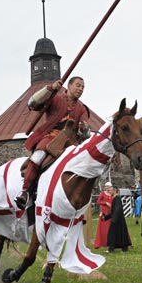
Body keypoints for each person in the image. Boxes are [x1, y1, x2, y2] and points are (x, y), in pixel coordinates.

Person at [16, 76, 89, 207]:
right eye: (78, 85)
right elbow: (32, 103)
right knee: (38, 157)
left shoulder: (82, 108)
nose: (81, 89)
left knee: (83, 163)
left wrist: (83, 128)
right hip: (50, 136)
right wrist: (50, 89)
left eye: (83, 87)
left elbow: (85, 131)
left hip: (70, 142)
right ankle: (25, 191)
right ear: (69, 85)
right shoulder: (55, 97)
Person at [105, 186, 132, 252]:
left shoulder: (117, 198)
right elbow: (114, 211)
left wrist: (114, 219)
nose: (109, 192)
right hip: (117, 219)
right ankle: (122, 248)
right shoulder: (115, 198)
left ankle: (112, 248)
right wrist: (106, 217)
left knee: (112, 234)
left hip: (117, 219)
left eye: (110, 191)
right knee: (120, 233)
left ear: (114, 191)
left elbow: (117, 209)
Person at [94, 182, 114, 249]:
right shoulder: (103, 193)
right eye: (106, 186)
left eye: (108, 186)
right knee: (102, 228)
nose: (107, 187)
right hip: (104, 212)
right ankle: (101, 242)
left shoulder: (112, 194)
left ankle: (110, 241)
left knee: (109, 227)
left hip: (110, 212)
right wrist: (105, 203)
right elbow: (98, 202)